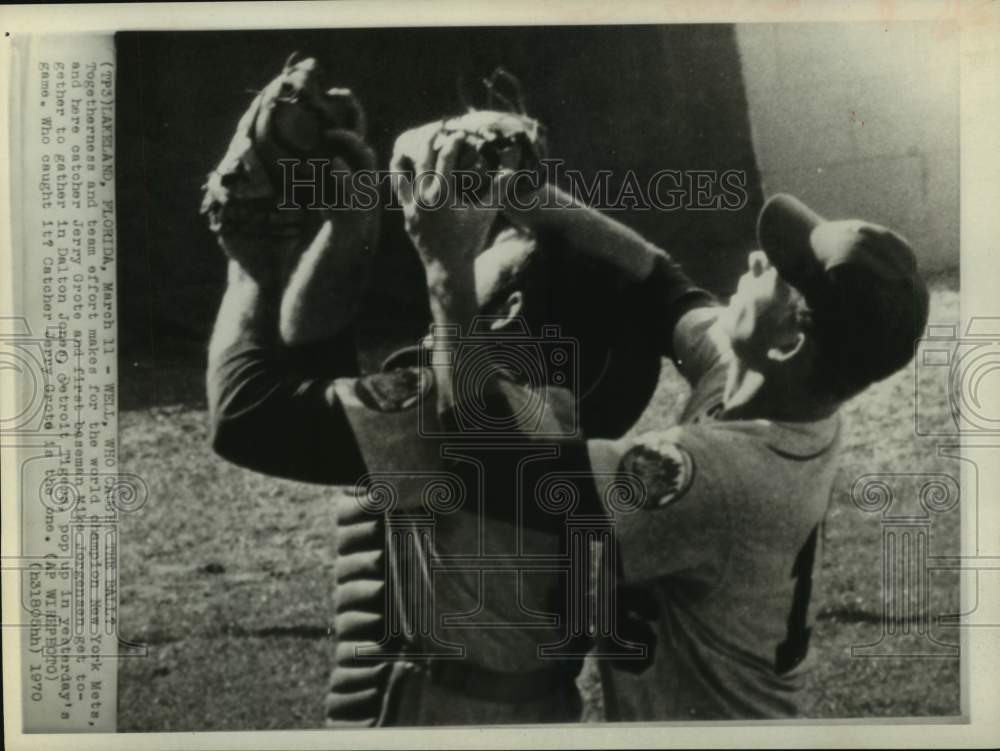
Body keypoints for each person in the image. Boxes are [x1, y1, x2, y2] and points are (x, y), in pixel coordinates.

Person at [205, 106, 709, 724]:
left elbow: (248, 411)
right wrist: (350, 226)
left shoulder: (458, 419)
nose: (484, 235)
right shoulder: (569, 432)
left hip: (440, 718)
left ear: (512, 306)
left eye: (495, 239)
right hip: (524, 712)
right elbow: (662, 278)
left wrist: (249, 258)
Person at [426, 177, 931, 719]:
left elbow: (501, 467)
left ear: (790, 341)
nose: (760, 258)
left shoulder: (726, 475)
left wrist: (445, 267)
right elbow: (656, 279)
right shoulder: (773, 387)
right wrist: (523, 190)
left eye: (782, 272)